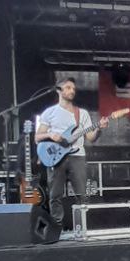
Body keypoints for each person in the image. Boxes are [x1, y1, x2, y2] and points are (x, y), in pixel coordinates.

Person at [36, 78, 102, 226]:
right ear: (59, 90)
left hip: (77, 156)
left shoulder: (82, 113)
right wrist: (50, 135)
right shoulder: (49, 112)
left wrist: (99, 129)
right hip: (56, 157)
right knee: (55, 195)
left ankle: (84, 227)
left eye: (73, 88)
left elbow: (91, 138)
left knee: (82, 194)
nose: (72, 91)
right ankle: (56, 228)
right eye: (68, 87)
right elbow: (37, 137)